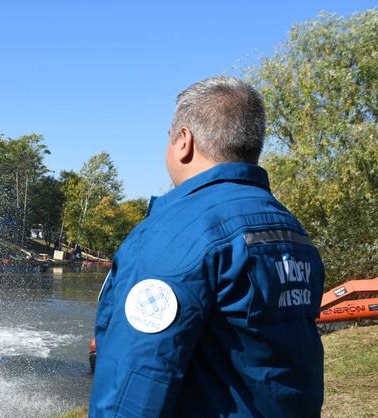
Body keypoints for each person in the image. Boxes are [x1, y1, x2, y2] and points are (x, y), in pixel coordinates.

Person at [90, 77, 324, 417]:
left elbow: (136, 382)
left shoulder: (177, 234)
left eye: (169, 139)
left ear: (184, 141)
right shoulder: (289, 228)